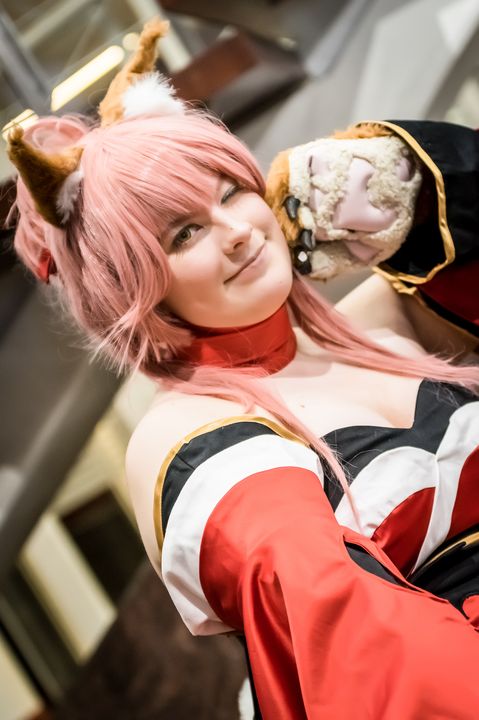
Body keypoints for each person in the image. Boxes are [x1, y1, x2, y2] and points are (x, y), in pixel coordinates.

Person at [7, 19, 479, 719]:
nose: (235, 232)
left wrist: (405, 185)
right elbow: (367, 651)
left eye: (230, 191)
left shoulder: (377, 323)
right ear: (136, 287)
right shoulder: (190, 439)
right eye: (184, 233)